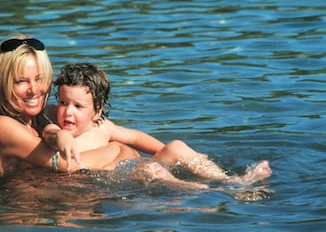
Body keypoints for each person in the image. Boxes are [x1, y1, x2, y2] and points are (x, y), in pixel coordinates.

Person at [42, 63, 272, 185]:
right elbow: (44, 126)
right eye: (63, 102)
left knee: (177, 146)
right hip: (118, 180)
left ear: (97, 111)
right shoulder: (54, 122)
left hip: (136, 168)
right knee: (151, 169)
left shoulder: (102, 127)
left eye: (78, 106)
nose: (68, 112)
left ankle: (229, 181)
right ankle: (202, 191)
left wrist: (165, 154)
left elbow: (135, 138)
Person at [0, 35, 139, 178]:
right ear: (1, 85)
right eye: (21, 81)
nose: (33, 90)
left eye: (39, 78)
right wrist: (119, 150)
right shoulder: (1, 126)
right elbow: (68, 165)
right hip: (20, 211)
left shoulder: (44, 117)